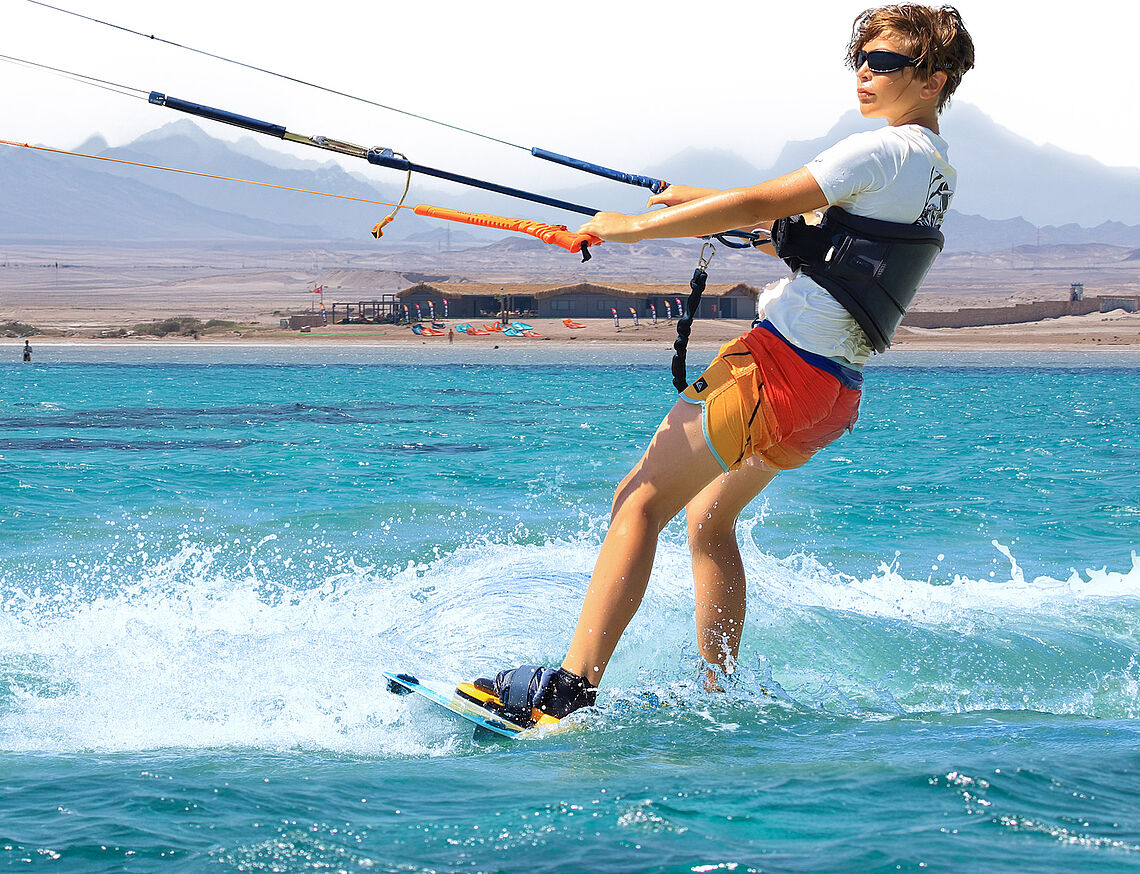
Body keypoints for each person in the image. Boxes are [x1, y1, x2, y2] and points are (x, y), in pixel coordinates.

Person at [476, 4, 975, 719]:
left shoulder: (882, 152)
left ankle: (568, 689)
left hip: (777, 367)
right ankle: (721, 691)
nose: (867, 73)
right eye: (861, 60)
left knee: (638, 501)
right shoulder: (933, 172)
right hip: (830, 396)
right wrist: (701, 201)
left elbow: (765, 200)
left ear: (935, 80)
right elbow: (809, 236)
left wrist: (634, 230)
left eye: (889, 62)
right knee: (707, 521)